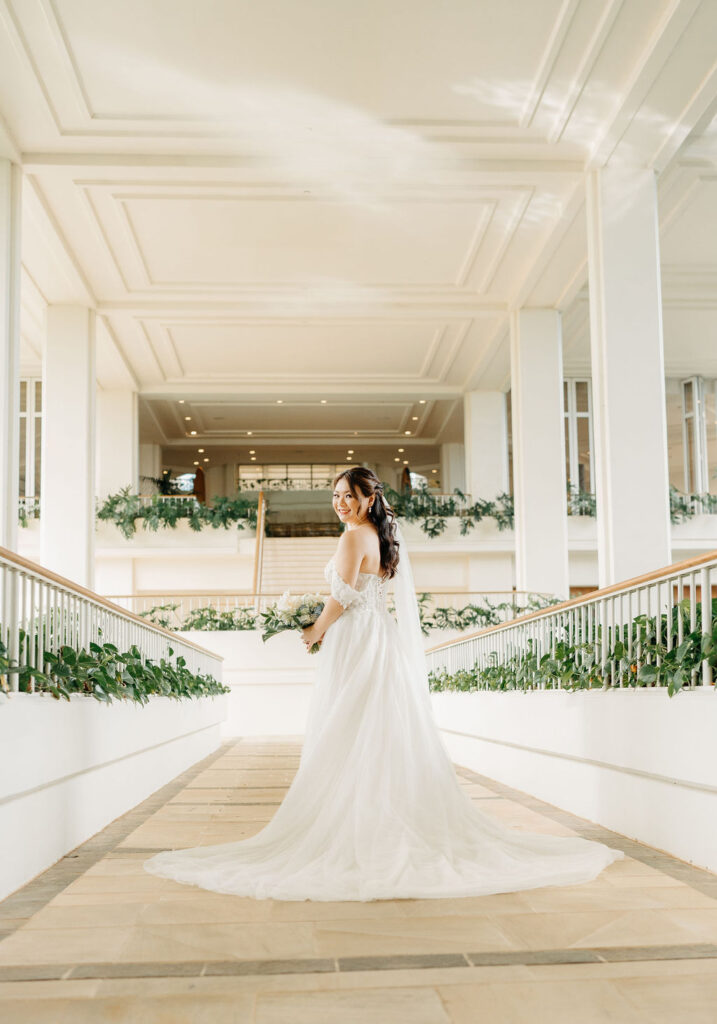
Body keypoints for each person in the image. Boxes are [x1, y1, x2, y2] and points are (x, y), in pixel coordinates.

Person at [144, 467, 624, 901]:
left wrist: (315, 629)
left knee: (349, 725)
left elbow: (343, 596)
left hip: (355, 635)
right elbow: (360, 592)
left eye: (348, 495)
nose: (340, 503)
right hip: (379, 636)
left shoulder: (354, 537)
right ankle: (382, 816)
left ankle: (356, 825)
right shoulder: (376, 536)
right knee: (376, 726)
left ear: (368, 499)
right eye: (335, 495)